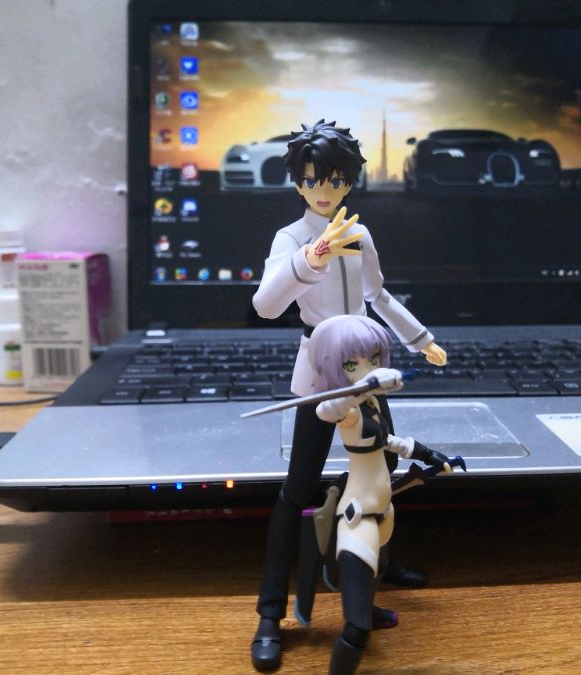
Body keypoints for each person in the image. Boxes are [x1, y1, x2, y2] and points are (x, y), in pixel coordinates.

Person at [250, 120, 447, 671]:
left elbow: (377, 295)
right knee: (298, 490)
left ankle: (375, 566)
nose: (324, 189)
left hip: (366, 367)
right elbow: (265, 305)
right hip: (320, 370)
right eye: (314, 179)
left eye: (336, 180)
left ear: (349, 182)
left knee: (381, 467)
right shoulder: (291, 239)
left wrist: (421, 340)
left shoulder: (360, 234)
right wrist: (310, 259)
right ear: (298, 182)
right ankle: (270, 615)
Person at [308, 315, 450, 674]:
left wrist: (427, 454)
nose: (367, 368)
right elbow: (326, 410)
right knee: (356, 630)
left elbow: (387, 441)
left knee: (378, 574)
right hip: (359, 519)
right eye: (352, 364)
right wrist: (363, 386)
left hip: (384, 511)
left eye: (373, 359)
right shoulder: (348, 409)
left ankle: (369, 610)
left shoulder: (370, 405)